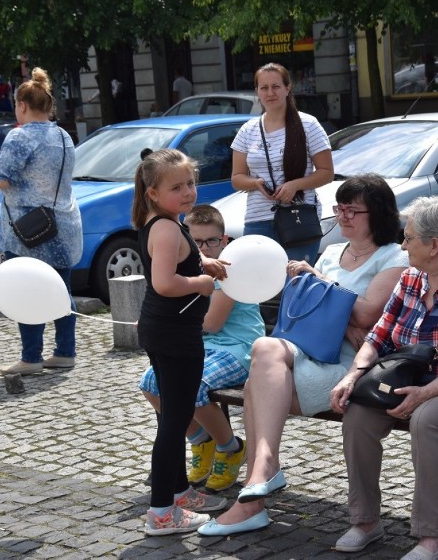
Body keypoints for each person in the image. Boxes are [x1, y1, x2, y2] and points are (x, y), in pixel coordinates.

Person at [197, 173, 410, 536]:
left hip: (348, 365)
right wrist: (338, 309)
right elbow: (339, 312)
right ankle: (264, 469)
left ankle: (253, 498)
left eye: (351, 210)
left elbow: (366, 315)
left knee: (254, 387)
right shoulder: (331, 253)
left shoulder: (394, 258)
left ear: (377, 213)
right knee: (264, 345)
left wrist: (319, 285)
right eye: (338, 208)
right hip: (305, 348)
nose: (342, 216)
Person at [328, 196, 438, 560]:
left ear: (434, 245)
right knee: (357, 414)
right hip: (411, 378)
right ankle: (365, 521)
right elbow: (378, 336)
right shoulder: (410, 278)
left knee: (427, 419)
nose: (403, 245)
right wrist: (352, 376)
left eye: (409, 238)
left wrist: (423, 394)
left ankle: (433, 537)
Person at [133, 149, 231, 536]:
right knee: (173, 424)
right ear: (154, 192)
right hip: (175, 335)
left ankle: (177, 494)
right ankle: (161, 514)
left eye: (190, 183)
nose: (188, 192)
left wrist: (200, 263)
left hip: (164, 331)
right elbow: (164, 283)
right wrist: (201, 283)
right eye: (176, 187)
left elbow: (173, 260)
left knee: (170, 418)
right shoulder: (167, 227)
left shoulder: (161, 223)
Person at [139, 203, 265, 492]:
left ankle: (230, 447)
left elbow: (211, 324)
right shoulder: (190, 271)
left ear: (225, 241)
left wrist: (167, 321)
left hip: (238, 348)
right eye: (196, 242)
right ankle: (201, 441)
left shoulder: (228, 273)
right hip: (199, 345)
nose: (205, 248)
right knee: (150, 383)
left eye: (211, 241)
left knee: (191, 385)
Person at [0, 67, 83, 376]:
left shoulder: (19, 135)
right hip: (63, 223)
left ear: (22, 105)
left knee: (26, 289)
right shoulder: (63, 134)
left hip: (29, 230)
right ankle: (65, 352)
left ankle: (31, 358)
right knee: (61, 290)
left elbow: (1, 180)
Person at [229, 62, 333, 263]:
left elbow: (327, 172)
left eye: (276, 86)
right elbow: (237, 178)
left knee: (295, 283)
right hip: (258, 218)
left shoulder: (309, 124)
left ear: (287, 88)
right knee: (258, 287)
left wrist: (295, 185)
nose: (270, 93)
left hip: (299, 217)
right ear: (257, 91)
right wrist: (256, 183)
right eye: (264, 88)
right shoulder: (247, 130)